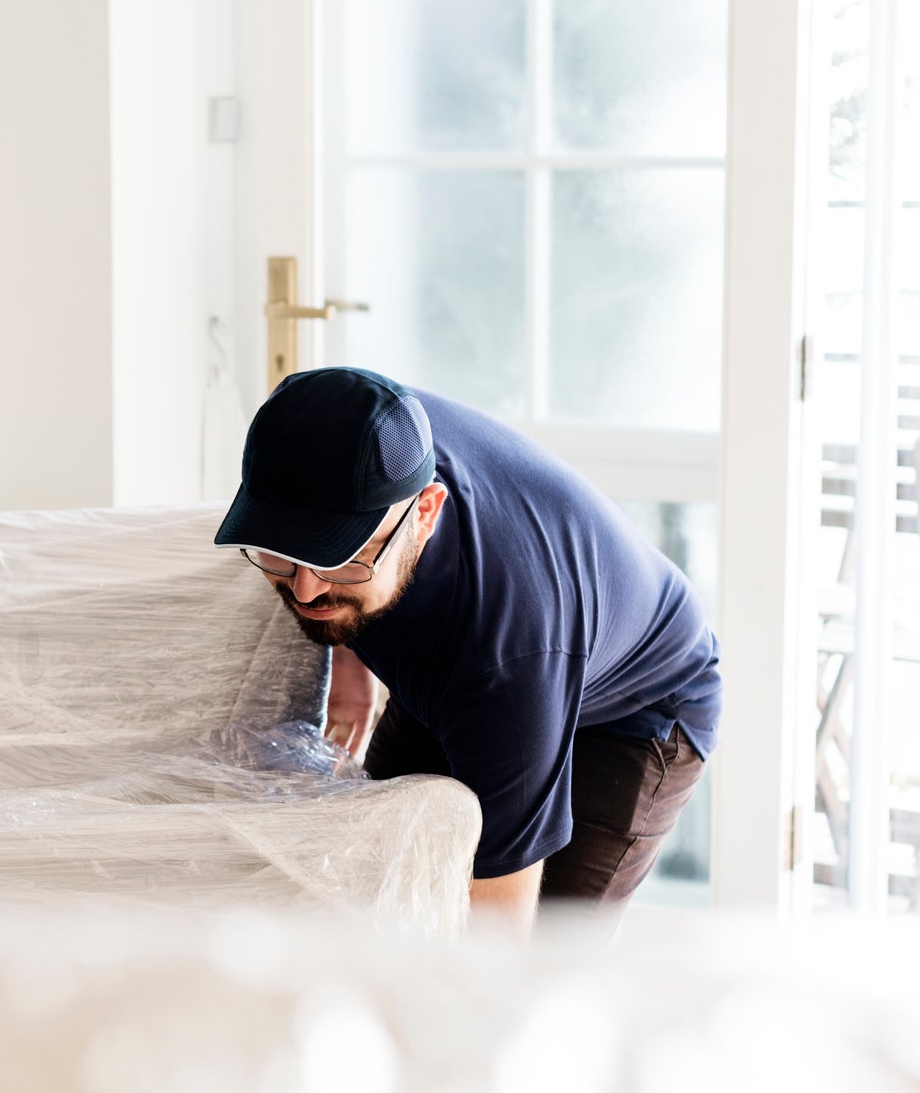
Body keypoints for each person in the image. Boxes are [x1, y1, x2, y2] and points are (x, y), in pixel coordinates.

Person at [214, 367, 721, 930]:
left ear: (425, 512)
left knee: (542, 971)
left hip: (638, 707)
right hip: (482, 652)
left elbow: (498, 945)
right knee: (367, 891)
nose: (305, 589)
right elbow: (325, 544)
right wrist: (349, 662)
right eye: (283, 556)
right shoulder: (349, 427)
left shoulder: (505, 665)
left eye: (341, 558)